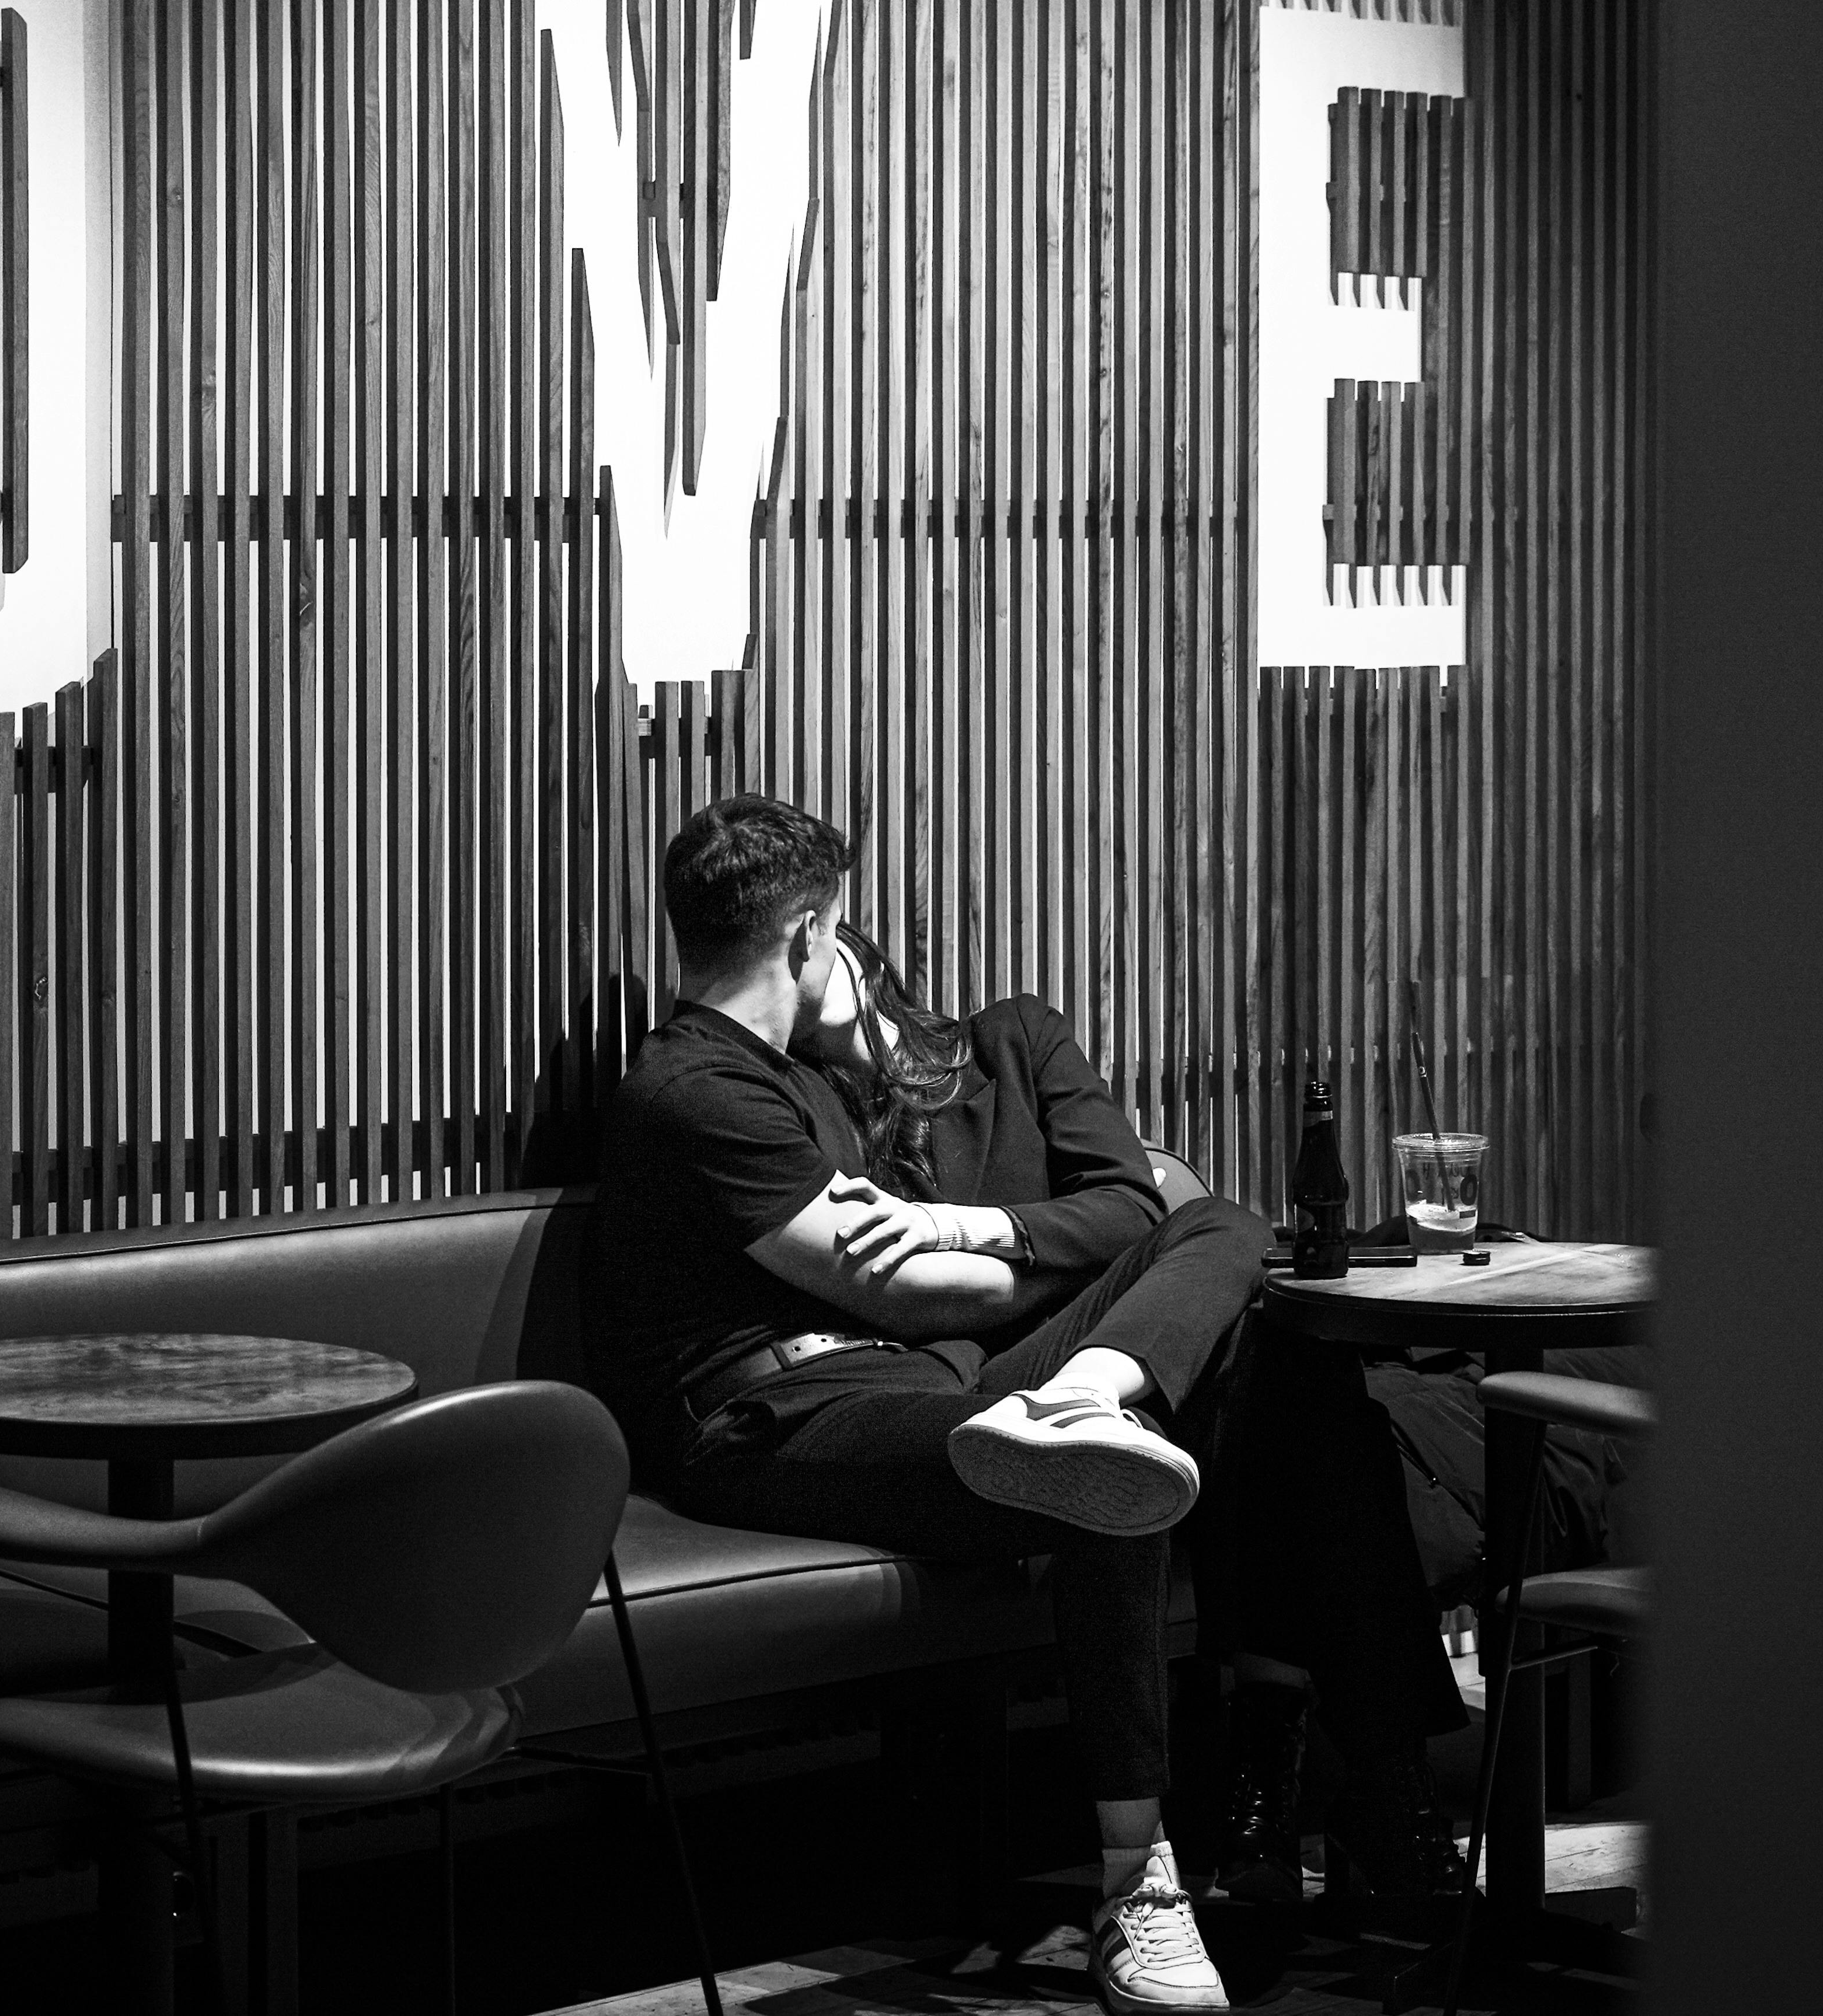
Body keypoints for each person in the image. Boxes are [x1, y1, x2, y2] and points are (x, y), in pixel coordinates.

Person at [588, 797, 1478, 2014]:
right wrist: (1032, 1261)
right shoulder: (696, 1084)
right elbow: (896, 1289)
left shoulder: (818, 1077)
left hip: (928, 1388)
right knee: (1110, 1467)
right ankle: (1146, 1882)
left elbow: (1109, 1219)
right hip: (779, 1415)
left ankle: (1090, 1400)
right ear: (808, 931)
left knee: (1229, 1239)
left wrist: (996, 1249)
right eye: (840, 928)